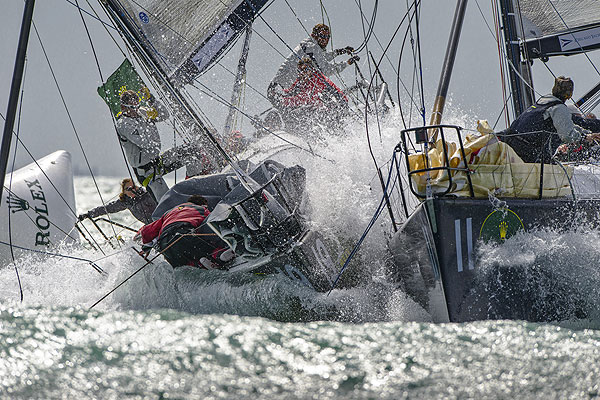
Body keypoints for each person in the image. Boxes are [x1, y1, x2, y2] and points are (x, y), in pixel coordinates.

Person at [267, 24, 358, 118]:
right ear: (314, 35)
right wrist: (346, 63)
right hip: (281, 91)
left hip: (280, 90)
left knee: (308, 113)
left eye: (327, 37)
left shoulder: (310, 45)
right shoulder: (312, 47)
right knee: (312, 113)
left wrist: (340, 52)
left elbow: (322, 58)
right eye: (322, 36)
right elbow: (326, 69)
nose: (325, 40)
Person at [502, 76, 600, 163]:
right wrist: (584, 138)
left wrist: (587, 134)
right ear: (569, 95)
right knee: (556, 171)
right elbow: (567, 135)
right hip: (525, 149)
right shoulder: (558, 108)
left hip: (510, 140)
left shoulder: (542, 102)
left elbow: (567, 125)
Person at [136, 195, 233, 269]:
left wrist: (146, 248)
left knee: (182, 264)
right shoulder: (202, 209)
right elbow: (211, 222)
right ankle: (218, 256)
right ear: (203, 205)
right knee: (206, 248)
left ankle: (199, 264)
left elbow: (146, 231)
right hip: (183, 233)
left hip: (164, 245)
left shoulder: (168, 212)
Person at [117, 87, 170, 202]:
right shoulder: (124, 124)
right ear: (123, 107)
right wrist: (149, 120)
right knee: (166, 200)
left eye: (137, 106)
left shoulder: (141, 111)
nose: (135, 110)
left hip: (157, 160)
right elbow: (145, 143)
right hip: (146, 171)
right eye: (132, 107)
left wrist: (151, 100)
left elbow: (165, 115)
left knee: (191, 152)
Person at [276, 57, 349, 128]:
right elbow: (292, 91)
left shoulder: (318, 79)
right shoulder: (301, 80)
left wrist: (285, 101)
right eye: (300, 70)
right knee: (293, 113)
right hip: (314, 108)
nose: (302, 72)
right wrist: (280, 93)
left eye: (305, 69)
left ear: (311, 69)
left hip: (329, 109)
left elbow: (305, 98)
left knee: (303, 113)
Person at [78, 178, 157, 224]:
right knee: (136, 240)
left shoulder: (147, 195)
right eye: (128, 189)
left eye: (133, 187)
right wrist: (89, 214)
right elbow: (107, 208)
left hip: (161, 222)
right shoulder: (126, 202)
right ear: (124, 192)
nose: (132, 190)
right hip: (149, 226)